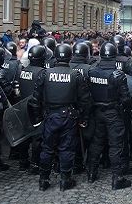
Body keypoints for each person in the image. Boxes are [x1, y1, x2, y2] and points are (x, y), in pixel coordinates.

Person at [29, 44, 93, 191]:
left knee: (47, 149)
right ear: (70, 56)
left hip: (50, 116)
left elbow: (35, 99)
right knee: (67, 149)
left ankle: (43, 180)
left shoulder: (45, 74)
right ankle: (65, 180)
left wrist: (38, 117)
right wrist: (84, 118)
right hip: (69, 117)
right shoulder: (76, 75)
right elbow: (85, 100)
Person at [85, 42, 132, 189]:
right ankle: (117, 178)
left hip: (96, 111)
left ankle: (91, 173)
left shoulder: (91, 71)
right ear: (114, 55)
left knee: (96, 143)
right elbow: (125, 99)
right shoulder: (118, 75)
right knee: (115, 144)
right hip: (113, 112)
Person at [15, 44, 47, 172]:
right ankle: (35, 163)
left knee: (24, 135)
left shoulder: (23, 70)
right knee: (37, 137)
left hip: (23, 106)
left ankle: (23, 162)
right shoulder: (42, 73)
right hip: (37, 108)